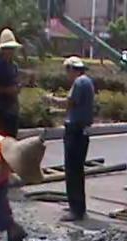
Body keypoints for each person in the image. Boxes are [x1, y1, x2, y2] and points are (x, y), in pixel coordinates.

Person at [44, 56, 95, 222]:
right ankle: (78, 206)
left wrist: (51, 99)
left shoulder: (79, 83)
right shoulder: (87, 82)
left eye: (67, 71)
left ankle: (76, 210)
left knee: (72, 171)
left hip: (75, 132)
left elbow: (69, 103)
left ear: (72, 69)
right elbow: (77, 108)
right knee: (77, 171)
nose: (67, 75)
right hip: (82, 131)